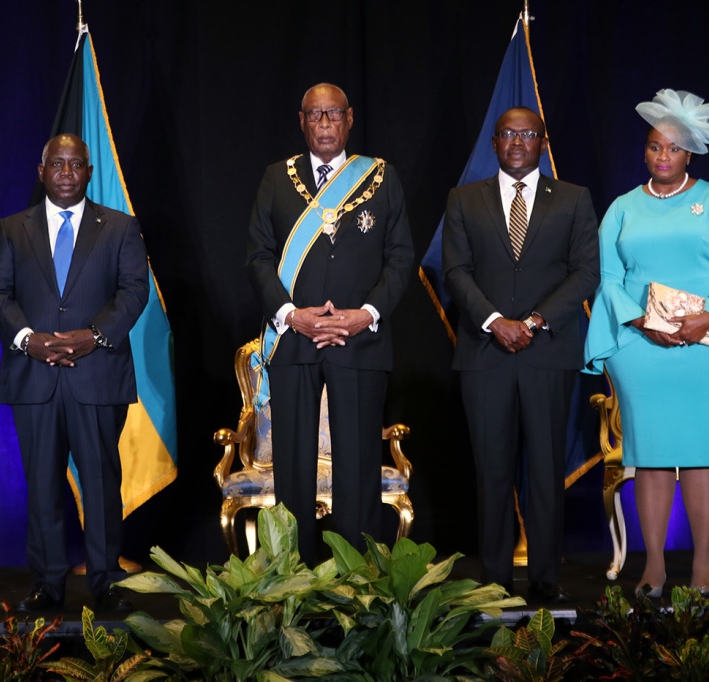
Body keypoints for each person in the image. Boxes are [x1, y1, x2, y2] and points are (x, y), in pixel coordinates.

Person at [584, 89, 709, 597]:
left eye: (674, 148)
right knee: (653, 456)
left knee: (704, 455)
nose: (663, 156)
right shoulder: (622, 208)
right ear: (644, 151)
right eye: (655, 147)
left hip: (708, 347)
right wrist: (642, 322)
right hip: (641, 349)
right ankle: (655, 566)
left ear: (691, 153)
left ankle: (704, 565)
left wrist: (704, 318)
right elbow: (610, 277)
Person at [246, 83, 414, 563]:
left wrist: (366, 315)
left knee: (359, 466)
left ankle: (356, 578)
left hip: (359, 341)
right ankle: (293, 575)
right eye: (315, 115)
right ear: (301, 121)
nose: (324, 123)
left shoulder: (381, 177)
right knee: (294, 468)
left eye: (333, 114)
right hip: (293, 340)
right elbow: (256, 257)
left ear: (350, 119)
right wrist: (291, 316)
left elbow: (401, 258)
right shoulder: (277, 178)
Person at [0, 133, 149, 612]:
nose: (66, 173)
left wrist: (92, 336)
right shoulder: (12, 228)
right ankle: (48, 584)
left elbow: (133, 290)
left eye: (76, 165)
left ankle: (106, 583)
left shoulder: (119, 227)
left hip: (96, 374)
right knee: (42, 484)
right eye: (57, 164)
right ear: (41, 171)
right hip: (33, 376)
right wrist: (28, 340)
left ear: (89, 173)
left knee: (100, 483)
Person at [442, 107, 600, 602]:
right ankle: (493, 578)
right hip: (485, 352)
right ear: (494, 143)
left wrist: (532, 322)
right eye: (507, 134)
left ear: (542, 141)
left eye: (527, 134)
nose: (517, 142)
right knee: (491, 469)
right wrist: (495, 322)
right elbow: (456, 272)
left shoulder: (573, 199)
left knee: (547, 469)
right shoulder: (464, 199)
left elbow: (585, 273)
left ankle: (545, 578)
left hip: (546, 351)